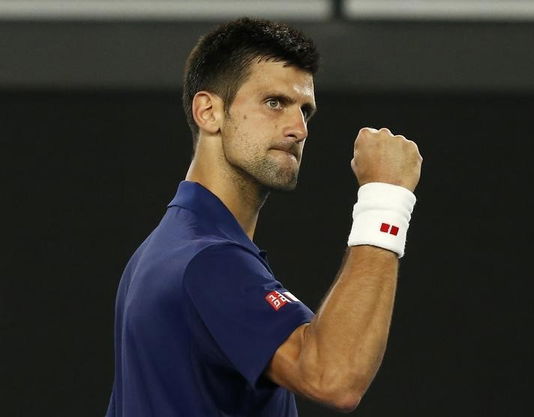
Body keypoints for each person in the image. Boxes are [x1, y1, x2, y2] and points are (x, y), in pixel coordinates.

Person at [106, 17, 422, 417]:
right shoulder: (208, 261)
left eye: (305, 111)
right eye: (275, 103)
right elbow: (334, 376)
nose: (298, 129)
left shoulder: (166, 249)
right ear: (208, 112)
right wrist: (386, 198)